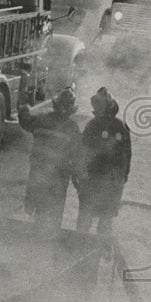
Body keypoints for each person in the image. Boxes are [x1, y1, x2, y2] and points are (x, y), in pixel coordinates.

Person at [18, 87, 80, 233]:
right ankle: (50, 238)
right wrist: (77, 177)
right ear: (71, 109)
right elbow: (78, 154)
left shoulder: (42, 119)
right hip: (59, 175)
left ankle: (35, 233)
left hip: (39, 170)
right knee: (55, 208)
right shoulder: (72, 128)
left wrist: (24, 108)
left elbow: (25, 120)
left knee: (38, 205)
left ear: (55, 104)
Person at [74, 87, 132, 238]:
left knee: (91, 220)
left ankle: (88, 247)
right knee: (98, 220)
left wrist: (79, 175)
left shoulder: (95, 126)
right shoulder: (117, 126)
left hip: (102, 181)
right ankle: (97, 248)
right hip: (103, 181)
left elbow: (126, 155)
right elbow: (82, 152)